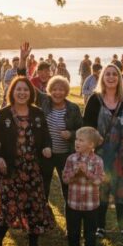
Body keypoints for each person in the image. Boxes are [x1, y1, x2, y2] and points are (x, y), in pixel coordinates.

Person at [0, 75, 55, 246]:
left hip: (33, 169)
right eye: (18, 89)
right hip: (10, 170)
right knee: (8, 208)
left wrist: (47, 147)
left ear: (30, 92)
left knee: (35, 207)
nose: (22, 93)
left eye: (26, 90)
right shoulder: (3, 115)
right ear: (12, 92)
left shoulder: (37, 113)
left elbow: (46, 137)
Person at [82, 64, 123, 238]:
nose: (111, 77)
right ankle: (101, 226)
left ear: (119, 78)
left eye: (114, 74)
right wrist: (94, 139)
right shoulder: (94, 99)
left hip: (122, 154)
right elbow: (87, 125)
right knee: (102, 189)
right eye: (108, 74)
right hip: (100, 154)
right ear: (102, 78)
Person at [62, 127, 105, 246]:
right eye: (76, 139)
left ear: (91, 145)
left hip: (91, 206)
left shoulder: (98, 161)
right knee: (73, 234)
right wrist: (75, 172)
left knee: (90, 235)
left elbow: (99, 181)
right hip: (73, 205)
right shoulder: (71, 159)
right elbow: (65, 179)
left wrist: (86, 172)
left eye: (81, 140)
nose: (77, 142)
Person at [37, 74, 83, 202]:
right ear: (50, 91)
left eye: (61, 89)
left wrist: (71, 134)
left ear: (66, 91)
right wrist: (23, 61)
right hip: (46, 155)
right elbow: (27, 84)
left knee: (68, 190)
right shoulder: (44, 102)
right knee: (43, 188)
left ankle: (71, 218)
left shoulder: (73, 108)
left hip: (66, 156)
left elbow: (82, 130)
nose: (57, 92)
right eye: (54, 89)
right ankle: (43, 217)